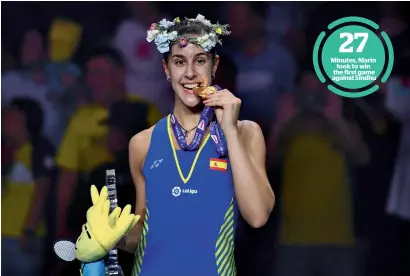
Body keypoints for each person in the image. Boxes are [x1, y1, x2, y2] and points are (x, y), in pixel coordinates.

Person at [75, 14, 275, 276]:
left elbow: (258, 216)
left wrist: (229, 130)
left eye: (200, 61)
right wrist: (113, 236)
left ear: (214, 65)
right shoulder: (143, 143)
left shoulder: (245, 133)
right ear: (166, 69)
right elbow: (142, 235)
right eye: (180, 62)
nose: (190, 73)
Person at [55, 46, 162, 240]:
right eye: (89, 74)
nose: (91, 81)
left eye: (99, 73)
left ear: (120, 75)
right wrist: (62, 227)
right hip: (94, 219)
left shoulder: (145, 112)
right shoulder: (81, 117)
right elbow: (67, 176)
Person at [268, 71, 369, 276]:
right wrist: (283, 120)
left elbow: (362, 158)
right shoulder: (290, 130)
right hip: (294, 237)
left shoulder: (344, 128)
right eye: (307, 91)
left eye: (319, 92)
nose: (312, 99)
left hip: (338, 237)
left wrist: (336, 117)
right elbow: (268, 163)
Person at [1, 98, 58, 276]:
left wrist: (29, 229)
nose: (5, 121)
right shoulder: (6, 151)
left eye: (12, 117)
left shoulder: (39, 149)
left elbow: (42, 192)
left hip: (22, 238)